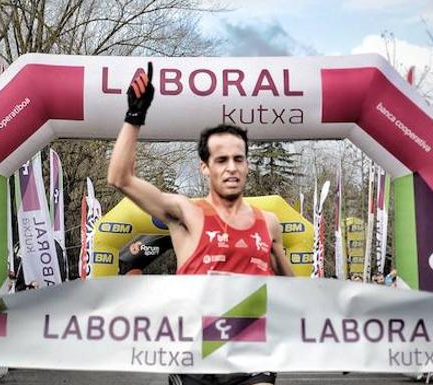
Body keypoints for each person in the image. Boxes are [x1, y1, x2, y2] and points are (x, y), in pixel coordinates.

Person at [107, 62, 294, 385]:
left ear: (247, 165)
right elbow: (120, 178)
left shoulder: (270, 223)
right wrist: (134, 117)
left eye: (239, 159)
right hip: (194, 355)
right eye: (221, 160)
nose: (231, 167)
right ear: (204, 169)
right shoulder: (187, 214)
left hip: (249, 357)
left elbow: (294, 292)